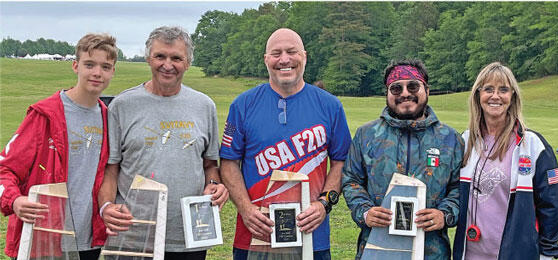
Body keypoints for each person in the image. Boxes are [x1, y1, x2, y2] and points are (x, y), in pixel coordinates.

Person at [97, 26, 228, 260]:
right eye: (160, 56)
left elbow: (210, 165)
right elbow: (111, 168)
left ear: (187, 62)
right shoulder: (122, 105)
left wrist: (214, 185)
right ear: (149, 58)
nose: (168, 65)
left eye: (176, 58)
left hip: (189, 236)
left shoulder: (204, 106)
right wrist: (106, 206)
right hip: (133, 235)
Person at [220, 28, 351, 260]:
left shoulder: (330, 106)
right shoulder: (243, 105)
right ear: (266, 59)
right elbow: (229, 162)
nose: (284, 60)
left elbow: (341, 161)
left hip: (312, 234)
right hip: (255, 235)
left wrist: (324, 204)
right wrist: (246, 209)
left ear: (305, 56)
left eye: (292, 52)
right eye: (276, 53)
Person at [0, 33, 118, 259]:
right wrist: (14, 200)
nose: (97, 73)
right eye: (89, 64)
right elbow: (5, 169)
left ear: (113, 71)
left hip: (87, 242)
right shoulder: (44, 115)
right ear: (75, 66)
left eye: (105, 66)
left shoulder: (109, 118)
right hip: (42, 238)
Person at [342, 59, 463, 259]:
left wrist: (445, 214)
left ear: (427, 90)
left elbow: (460, 187)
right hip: (376, 250)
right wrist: (365, 211)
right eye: (396, 88)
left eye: (413, 86)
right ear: (387, 94)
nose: (405, 93)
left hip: (432, 252)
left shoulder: (450, 139)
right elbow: (351, 180)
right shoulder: (366, 135)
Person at [453, 62, 558, 260]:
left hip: (517, 254)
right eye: (488, 89)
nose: (495, 96)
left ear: (512, 96)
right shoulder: (465, 141)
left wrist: (548, 253)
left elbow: (552, 205)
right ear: (478, 95)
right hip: (470, 254)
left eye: (503, 90)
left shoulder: (533, 145)